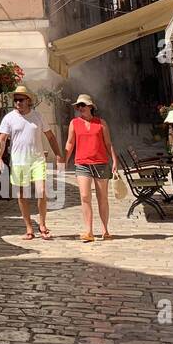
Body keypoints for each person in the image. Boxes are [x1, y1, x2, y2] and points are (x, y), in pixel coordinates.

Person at [0, 85, 61, 241]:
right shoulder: (9, 118)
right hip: (19, 161)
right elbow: (2, 140)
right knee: (22, 196)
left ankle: (43, 224)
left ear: (28, 101)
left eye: (21, 100)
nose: (17, 102)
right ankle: (29, 228)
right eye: (16, 100)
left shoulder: (38, 116)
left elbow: (50, 137)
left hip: (37, 159)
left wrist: (59, 154)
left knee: (41, 191)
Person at [65, 94, 118, 243]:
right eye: (78, 106)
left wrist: (114, 160)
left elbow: (108, 143)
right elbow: (70, 143)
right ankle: (88, 231)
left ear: (90, 107)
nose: (80, 108)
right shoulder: (74, 123)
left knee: (103, 198)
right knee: (85, 197)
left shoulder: (101, 123)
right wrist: (63, 160)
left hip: (101, 163)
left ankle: (105, 230)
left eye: (83, 105)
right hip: (82, 164)